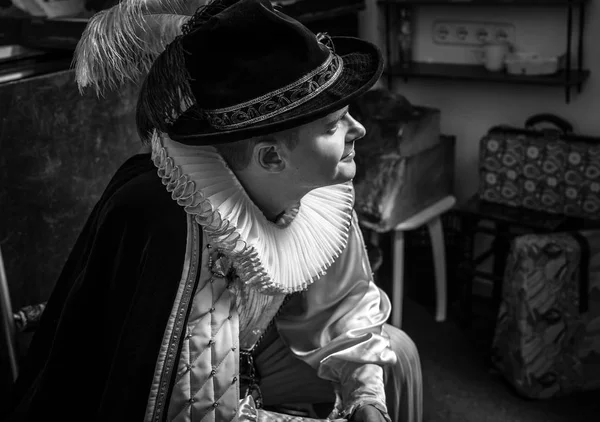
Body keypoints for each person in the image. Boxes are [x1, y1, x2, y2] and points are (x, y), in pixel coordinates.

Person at [8, 0, 423, 421]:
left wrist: (365, 397)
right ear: (271, 158)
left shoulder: (318, 186)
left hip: (251, 350)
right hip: (173, 380)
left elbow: (345, 306)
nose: (360, 131)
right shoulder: (169, 221)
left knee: (396, 357)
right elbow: (185, 401)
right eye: (334, 126)